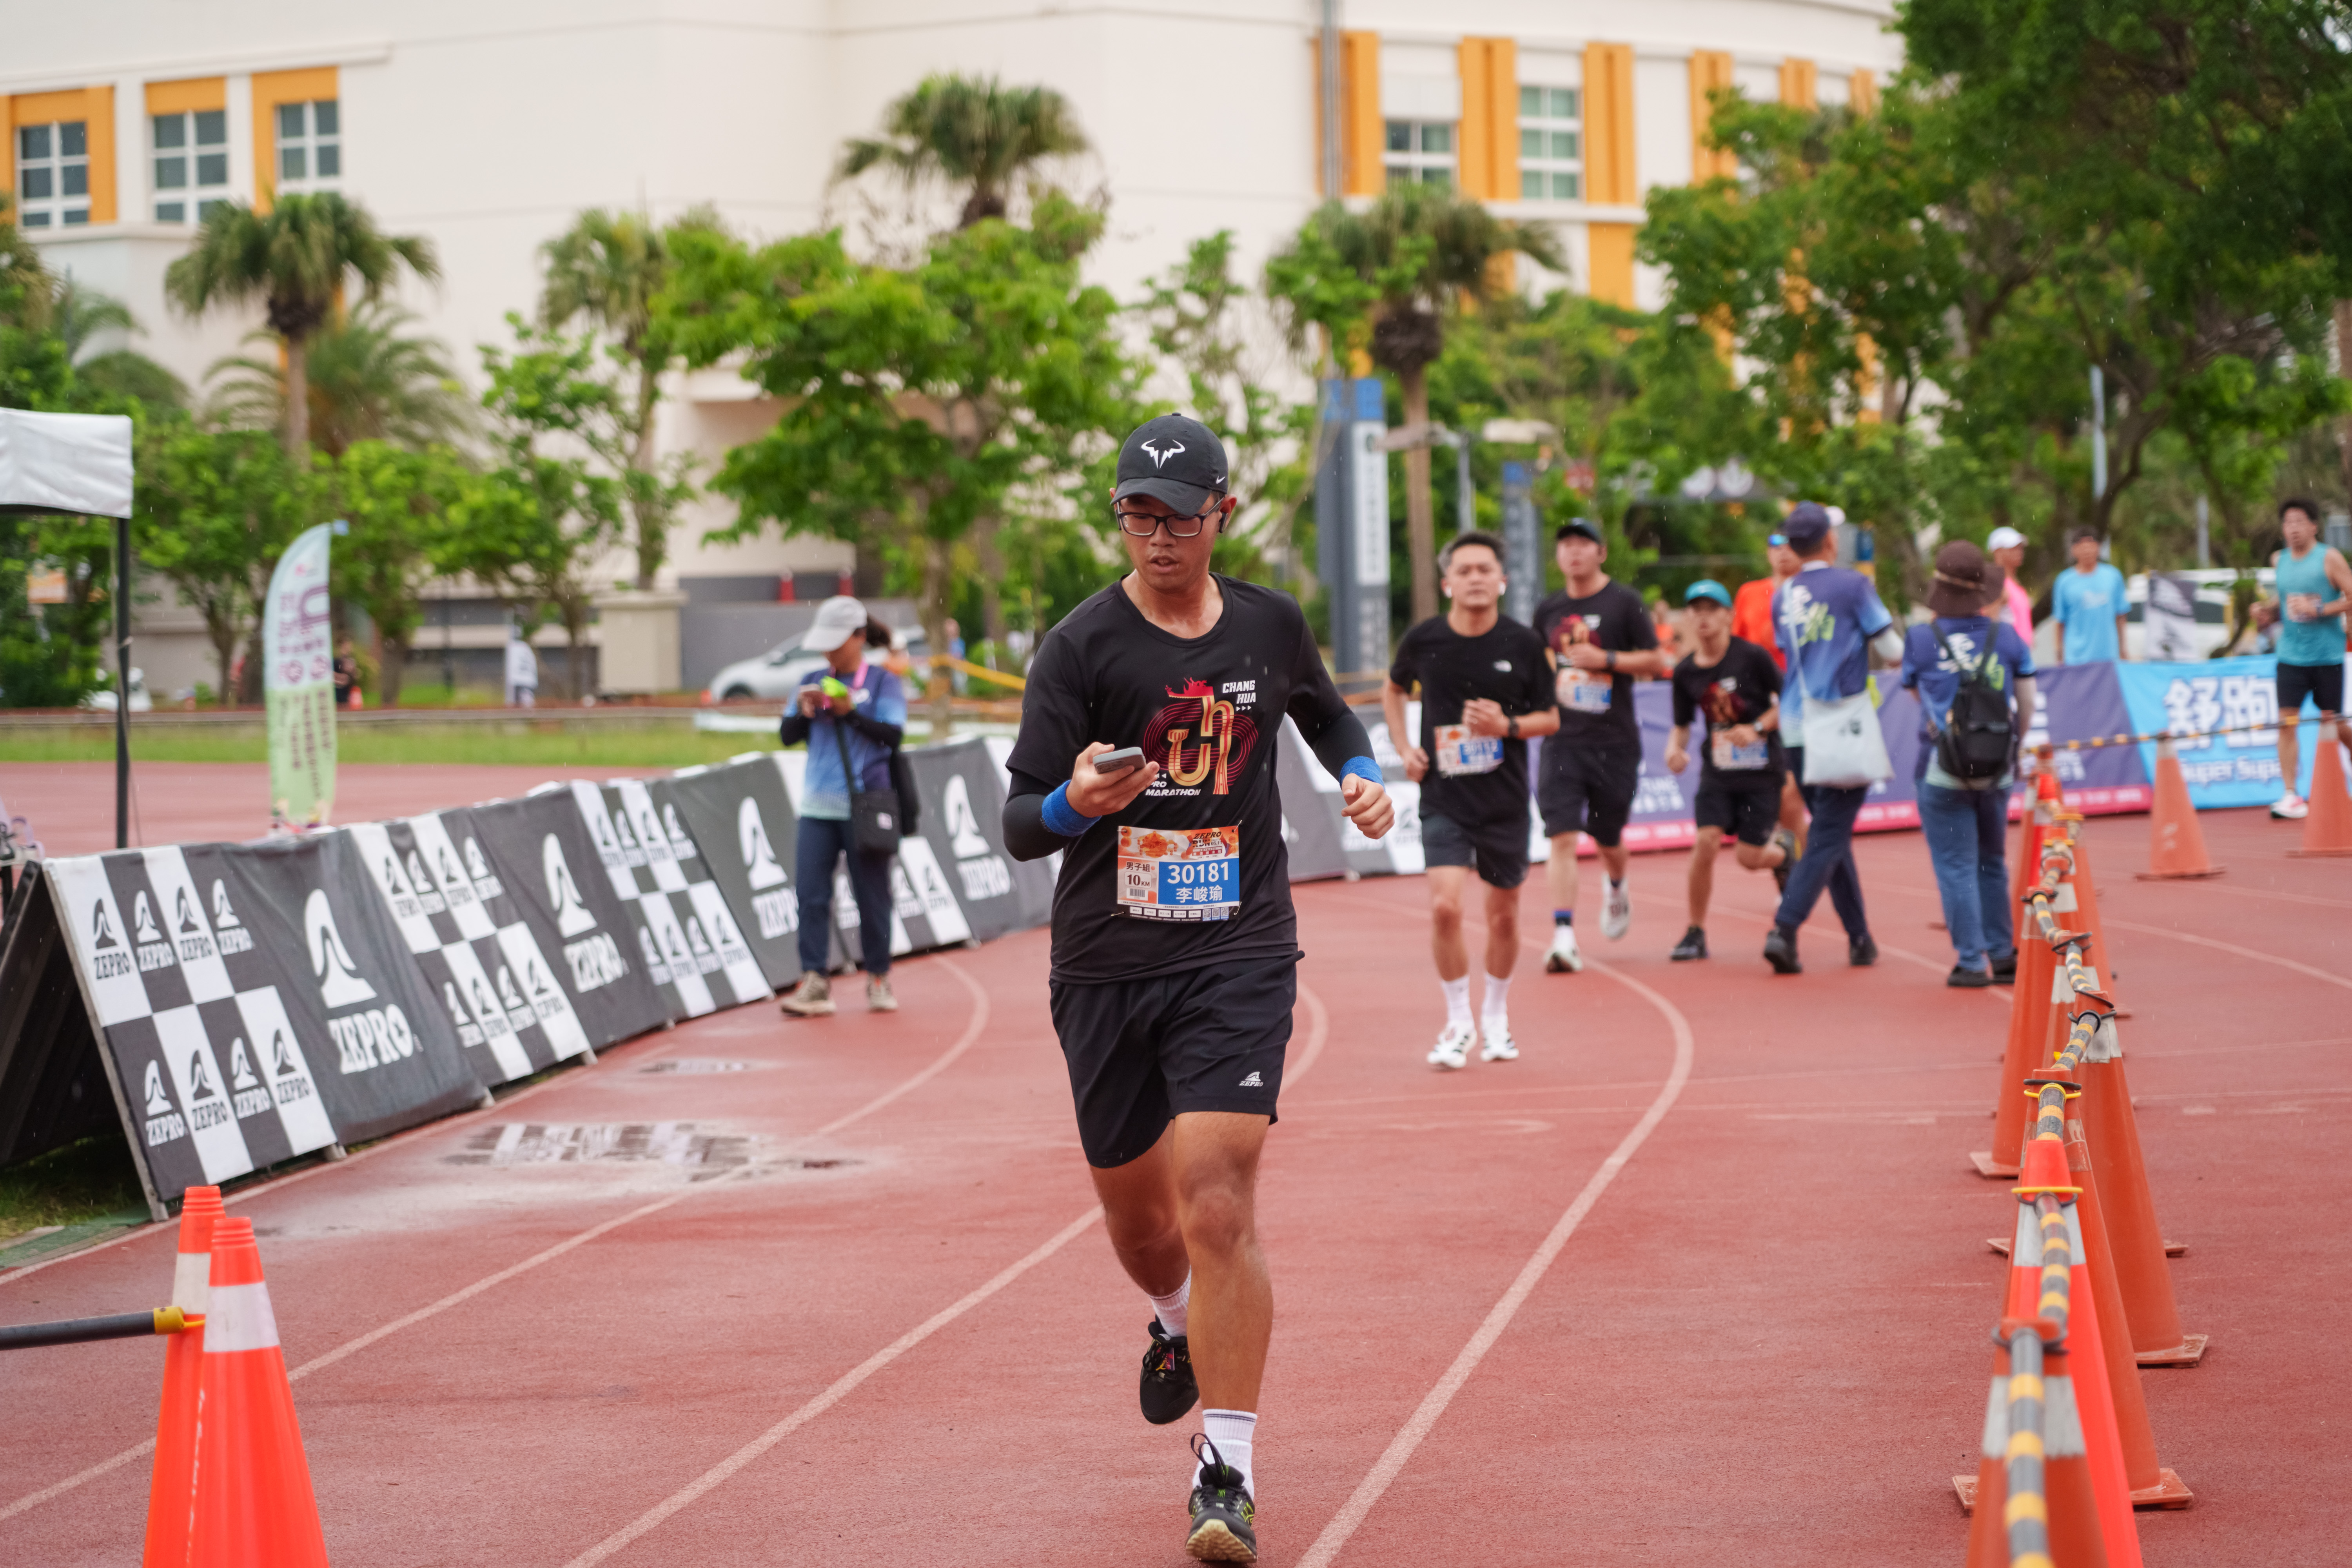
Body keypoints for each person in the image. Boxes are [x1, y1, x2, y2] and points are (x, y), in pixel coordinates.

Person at [999, 414, 1394, 1564]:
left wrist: (1361, 774)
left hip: (1239, 947)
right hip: (1107, 962)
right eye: (1137, 515)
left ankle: (1225, 1472)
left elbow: (1327, 713)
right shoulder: (1079, 648)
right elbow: (1019, 821)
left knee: (1216, 1199)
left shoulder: (1270, 624)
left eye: (1177, 516)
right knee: (1143, 1225)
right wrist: (1076, 801)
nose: (1157, 536)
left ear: (1222, 512)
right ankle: (1172, 1321)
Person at [1383, 530, 1557, 1068]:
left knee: (1503, 918)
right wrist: (1404, 747)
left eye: (1485, 570)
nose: (1476, 578)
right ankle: (1458, 1021)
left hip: (1504, 801)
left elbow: (1551, 718)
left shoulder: (1524, 643)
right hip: (1444, 798)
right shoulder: (1424, 639)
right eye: (1465, 571)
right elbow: (1394, 689)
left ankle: (1496, 1016)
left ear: (1502, 580)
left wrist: (1507, 725)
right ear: (1448, 584)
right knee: (1445, 908)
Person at [1765, 501, 1903, 975]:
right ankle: (1784, 928)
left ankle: (1860, 938)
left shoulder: (1783, 595)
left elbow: (1790, 651)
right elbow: (1892, 650)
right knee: (1829, 833)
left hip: (1795, 727)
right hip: (1841, 723)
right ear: (1830, 540)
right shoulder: (1854, 585)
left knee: (1831, 831)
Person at [1534, 517, 1668, 974]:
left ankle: (1616, 883)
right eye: (1566, 544)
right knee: (1562, 836)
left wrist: (1605, 659)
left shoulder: (1624, 602)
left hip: (1615, 741)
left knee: (1608, 837)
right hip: (1562, 740)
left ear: (1601, 552)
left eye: (1583, 544)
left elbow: (1656, 661)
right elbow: (1538, 660)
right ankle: (1563, 935)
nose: (1574, 551)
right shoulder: (1548, 609)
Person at [1901, 542, 2038, 986]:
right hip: (1996, 767)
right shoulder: (2008, 637)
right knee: (1991, 862)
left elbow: (1917, 695)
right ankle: (2002, 953)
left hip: (1943, 767)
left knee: (1956, 865)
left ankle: (1971, 962)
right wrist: (2012, 746)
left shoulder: (1921, 639)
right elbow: (2027, 703)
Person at [775, 596, 907, 1016]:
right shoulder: (811, 679)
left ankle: (879, 977)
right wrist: (803, 712)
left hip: (864, 805)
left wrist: (851, 713)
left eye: (837, 642)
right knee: (811, 896)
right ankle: (814, 981)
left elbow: (893, 736)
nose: (829, 651)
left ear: (858, 637)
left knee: (872, 896)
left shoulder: (883, 682)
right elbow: (787, 736)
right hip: (816, 807)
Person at [1664, 581, 1794, 961]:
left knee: (1748, 858)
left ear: (1728, 616)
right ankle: (1695, 932)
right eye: (1696, 610)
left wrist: (1757, 728)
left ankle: (1783, 855)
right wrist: (1674, 749)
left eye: (1712, 609)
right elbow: (1682, 725)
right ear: (1689, 618)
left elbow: (1790, 702)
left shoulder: (1752, 657)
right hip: (1718, 773)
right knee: (1705, 841)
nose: (1703, 617)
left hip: (1761, 771)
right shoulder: (1685, 672)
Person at [2254, 497, 2352, 821]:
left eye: (2299, 522)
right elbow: (2284, 600)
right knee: (2287, 722)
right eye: (2288, 523)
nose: (2293, 528)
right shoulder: (2279, 560)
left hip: (2326, 656)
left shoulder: (2329, 558)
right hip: (2290, 656)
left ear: (2314, 526)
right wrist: (2266, 612)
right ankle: (2291, 794)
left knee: (2333, 722)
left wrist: (2319, 609)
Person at [2051, 528, 2130, 665]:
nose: (2087, 551)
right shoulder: (2064, 582)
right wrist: (2059, 656)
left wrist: (2123, 650)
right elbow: (2060, 623)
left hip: (2108, 658)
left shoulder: (2113, 577)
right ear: (2074, 550)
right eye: (2082, 547)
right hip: (2076, 660)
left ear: (2098, 548)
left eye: (2091, 546)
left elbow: (2121, 617)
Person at [1731, 532, 1800, 670]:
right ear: (1769, 553)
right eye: (1777, 547)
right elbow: (1736, 642)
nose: (1783, 551)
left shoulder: (1811, 593)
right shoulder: (1748, 593)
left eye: (1790, 546)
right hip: (1757, 677)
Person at [1985, 526, 2036, 644]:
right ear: (1997, 552)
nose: (2019, 552)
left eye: (2020, 547)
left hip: (2023, 652)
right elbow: (1989, 622)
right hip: (2008, 651)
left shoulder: (2016, 584)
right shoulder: (1995, 583)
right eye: (2012, 548)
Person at [504, 623, 539, 707]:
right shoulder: (520, 647)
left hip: (522, 678)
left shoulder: (520, 647)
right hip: (521, 679)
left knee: (521, 701)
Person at [332, 635, 361, 708]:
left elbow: (353, 676)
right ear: (343, 645)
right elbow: (336, 672)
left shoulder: (351, 660)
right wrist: (342, 678)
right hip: (339, 692)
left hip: (348, 692)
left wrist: (355, 674)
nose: (350, 647)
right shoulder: (338, 660)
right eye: (349, 645)